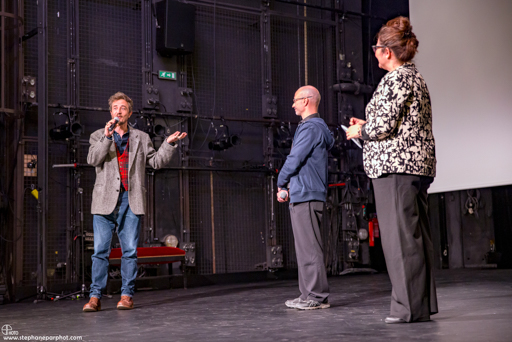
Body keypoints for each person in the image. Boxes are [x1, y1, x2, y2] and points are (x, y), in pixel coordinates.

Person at [346, 16, 437, 323]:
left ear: (387, 51)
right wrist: (368, 125)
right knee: (414, 237)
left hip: (395, 168)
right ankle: (420, 306)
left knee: (400, 240)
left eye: (376, 48)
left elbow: (384, 126)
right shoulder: (415, 76)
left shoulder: (397, 79)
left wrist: (361, 131)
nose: (374, 53)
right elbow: (396, 122)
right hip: (414, 165)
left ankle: (407, 308)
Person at [83, 92, 187, 312]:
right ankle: (95, 297)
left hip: (131, 200)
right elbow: (93, 159)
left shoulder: (141, 137)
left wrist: (168, 144)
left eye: (122, 108)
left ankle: (126, 295)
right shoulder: (98, 136)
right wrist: (107, 137)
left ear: (129, 113)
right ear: (110, 112)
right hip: (104, 202)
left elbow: (156, 162)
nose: (118, 111)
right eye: (115, 108)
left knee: (129, 251)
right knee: (100, 251)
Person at [277, 85, 334, 310]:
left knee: (309, 248)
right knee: (304, 248)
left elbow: (294, 159)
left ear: (307, 101)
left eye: (295, 100)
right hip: (304, 193)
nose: (292, 105)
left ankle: (317, 296)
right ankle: (308, 294)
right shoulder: (313, 127)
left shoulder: (311, 128)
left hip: (307, 196)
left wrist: (281, 181)